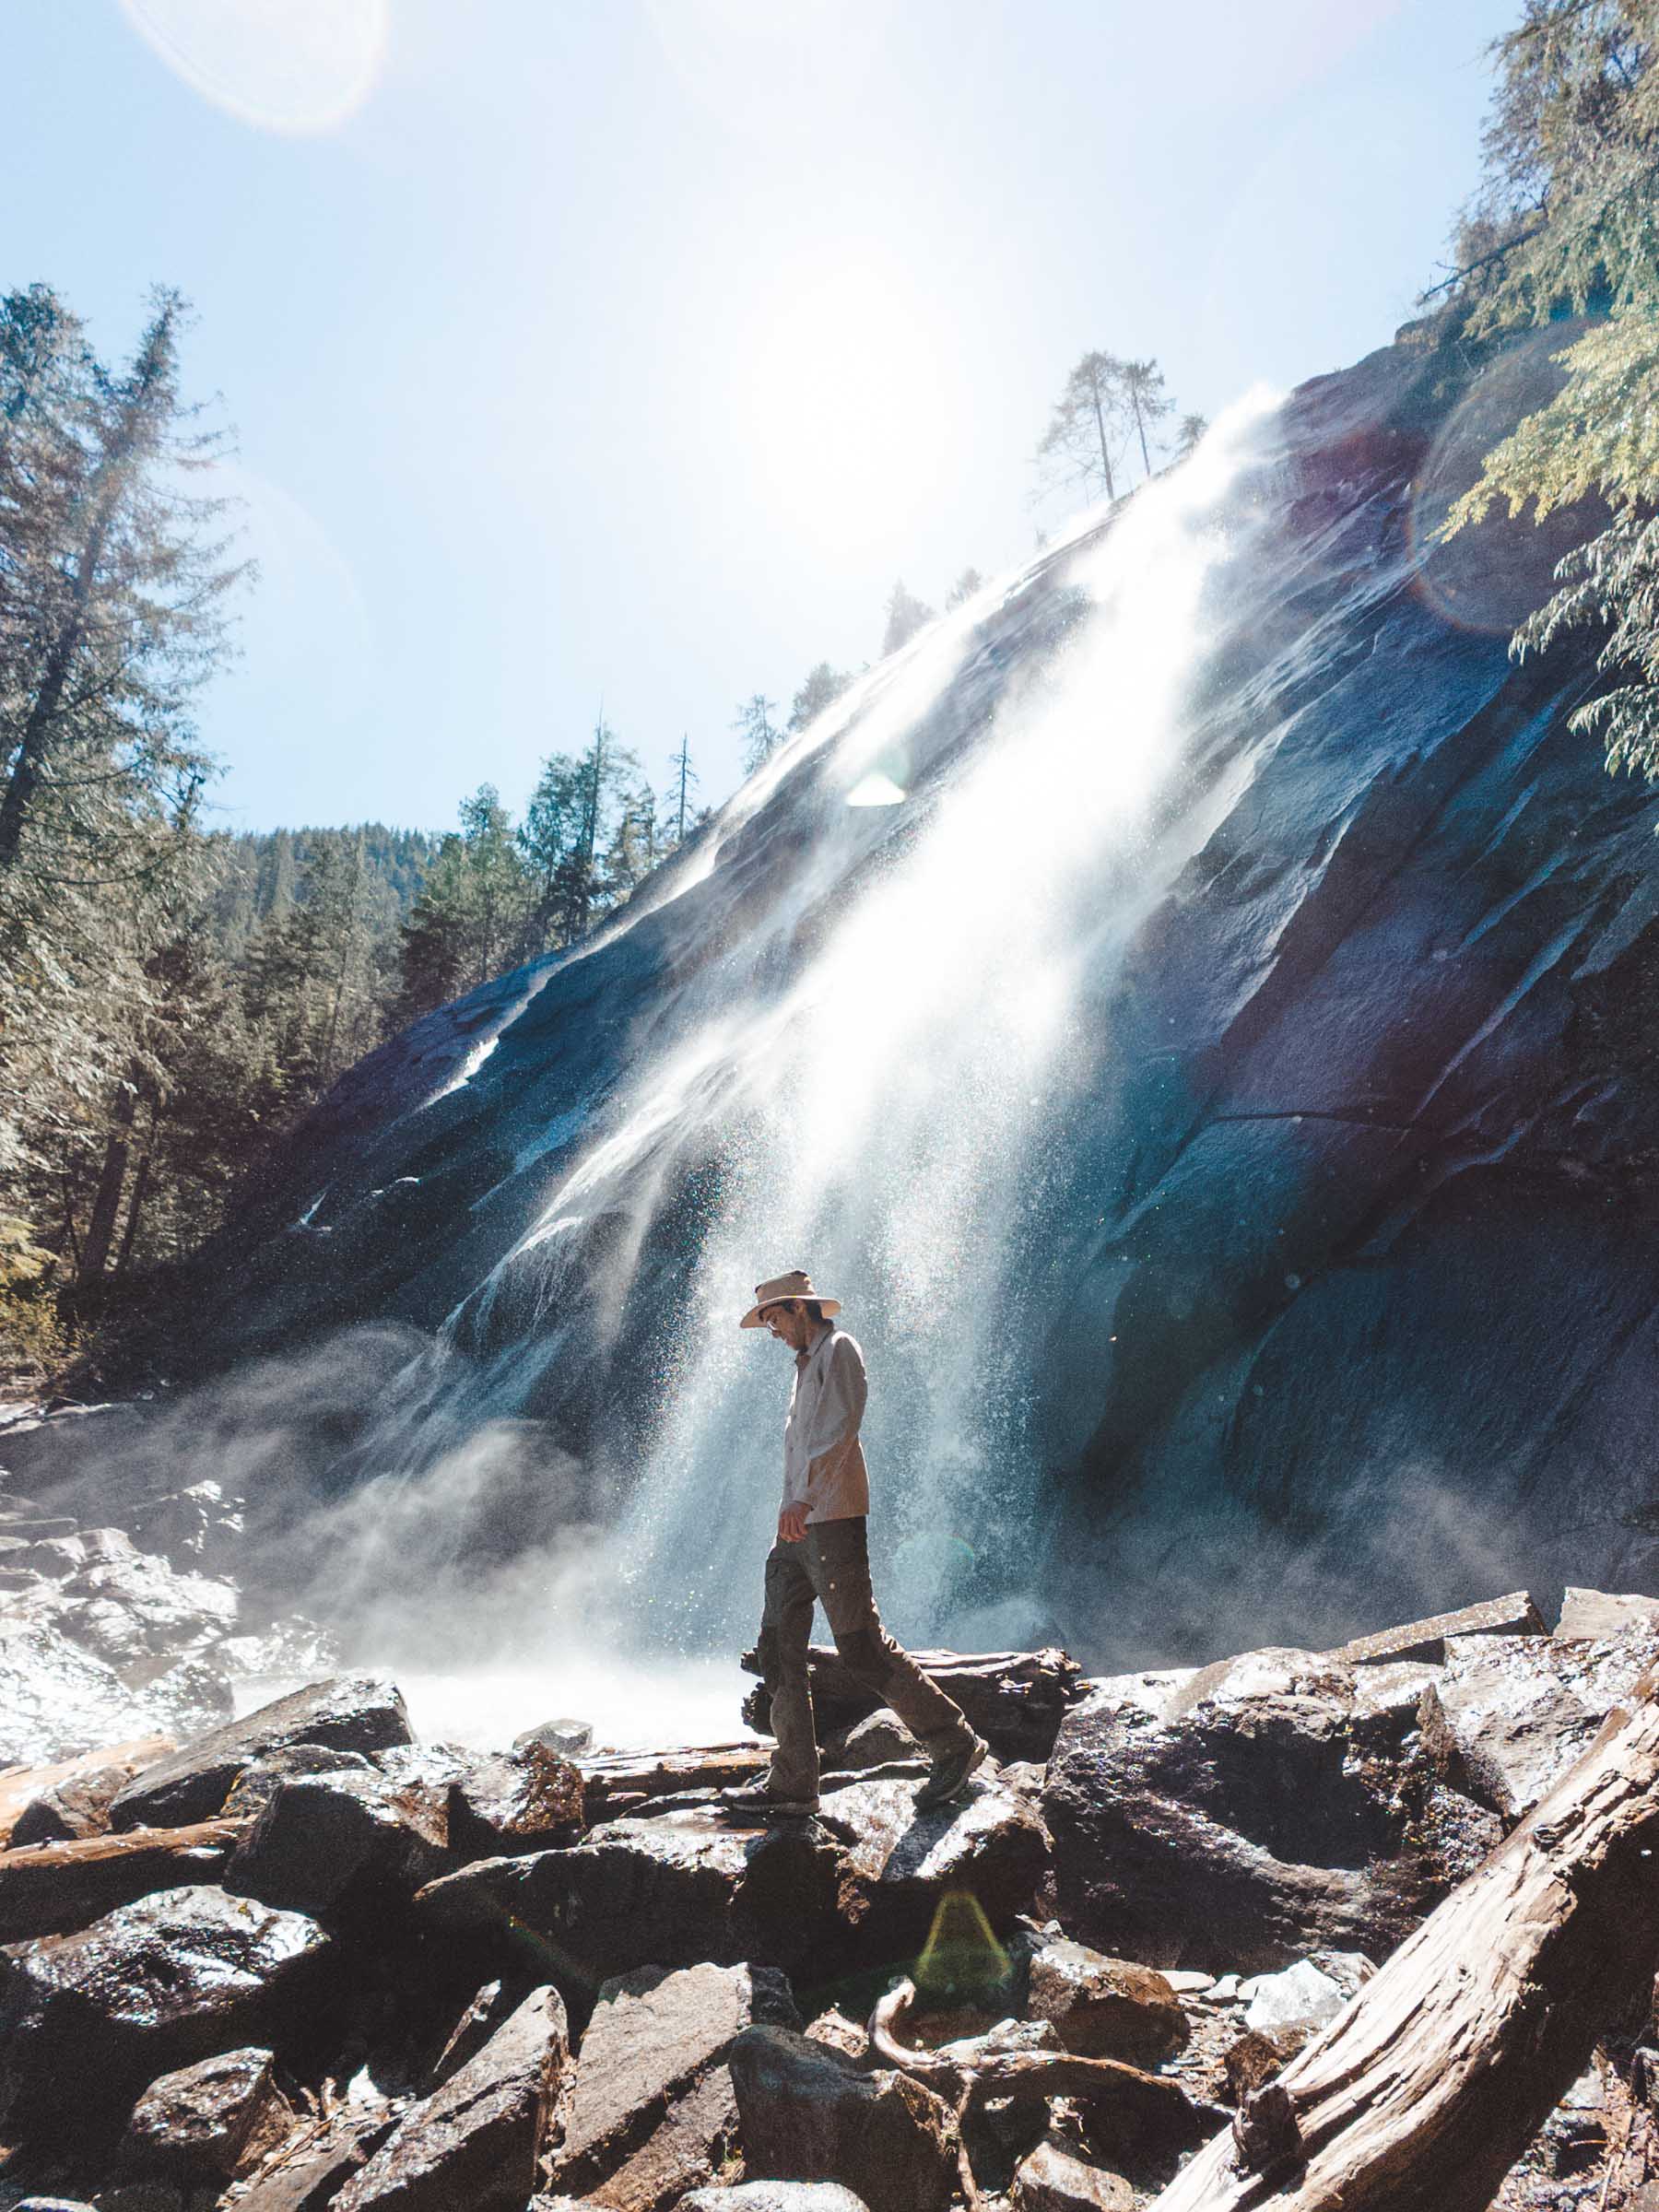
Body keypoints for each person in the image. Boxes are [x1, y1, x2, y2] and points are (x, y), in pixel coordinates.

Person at [718, 1268, 988, 1819]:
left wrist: (806, 1500)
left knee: (860, 1645)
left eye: (773, 1319)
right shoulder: (803, 1365)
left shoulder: (839, 1350)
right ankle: (794, 1783)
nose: (771, 1331)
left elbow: (841, 1430)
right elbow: (803, 1447)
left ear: (798, 1309)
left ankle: (954, 1743)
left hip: (831, 1520)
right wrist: (788, 1507)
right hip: (795, 1531)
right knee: (776, 1648)